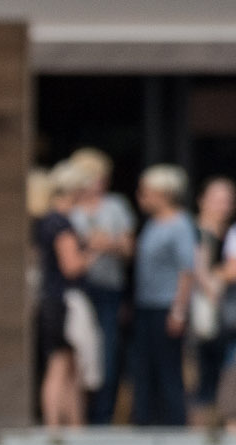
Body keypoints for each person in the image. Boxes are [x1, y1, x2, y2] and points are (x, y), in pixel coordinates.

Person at [66, 149, 135, 426]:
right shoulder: (69, 208)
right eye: (94, 178)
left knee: (107, 352)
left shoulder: (115, 206)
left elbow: (129, 248)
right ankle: (77, 417)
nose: (99, 183)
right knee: (78, 353)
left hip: (109, 289)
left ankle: (102, 417)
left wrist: (109, 244)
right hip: (79, 289)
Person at [131, 164, 195, 429]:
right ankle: (144, 422)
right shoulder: (152, 224)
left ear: (164, 193)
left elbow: (187, 271)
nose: (141, 197)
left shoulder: (180, 225)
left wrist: (178, 310)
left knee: (168, 368)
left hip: (166, 306)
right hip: (145, 304)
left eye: (147, 192)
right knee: (143, 367)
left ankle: (175, 425)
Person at [34, 168, 91, 430]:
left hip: (49, 299)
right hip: (62, 301)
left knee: (66, 366)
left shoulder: (45, 221)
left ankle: (71, 427)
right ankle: (56, 426)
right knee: (60, 367)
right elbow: (72, 266)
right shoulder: (61, 223)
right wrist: (95, 251)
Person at [193, 177, 236, 427]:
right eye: (218, 199)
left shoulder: (232, 233)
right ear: (202, 200)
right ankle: (202, 429)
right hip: (206, 310)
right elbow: (199, 271)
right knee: (203, 373)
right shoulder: (199, 232)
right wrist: (219, 280)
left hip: (226, 313)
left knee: (222, 372)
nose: (223, 205)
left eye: (228, 200)